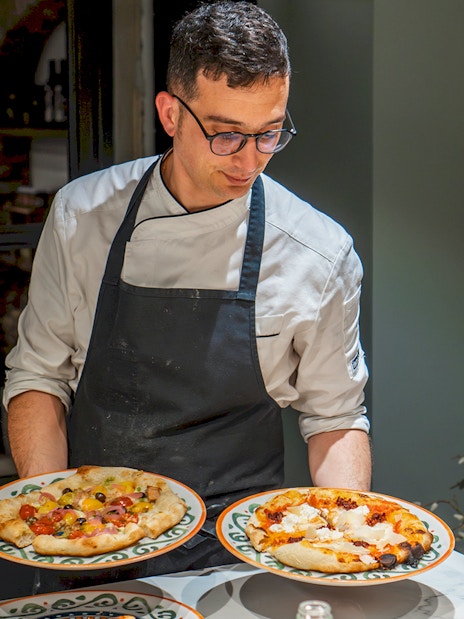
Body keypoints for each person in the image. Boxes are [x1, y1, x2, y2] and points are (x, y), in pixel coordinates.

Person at [2, 0, 371, 593]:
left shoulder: (319, 253)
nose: (250, 160)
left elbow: (334, 419)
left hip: (238, 559)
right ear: (171, 114)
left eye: (270, 133)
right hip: (88, 537)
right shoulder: (82, 216)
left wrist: (342, 545)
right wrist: (56, 526)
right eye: (226, 135)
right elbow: (39, 377)